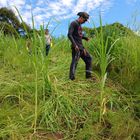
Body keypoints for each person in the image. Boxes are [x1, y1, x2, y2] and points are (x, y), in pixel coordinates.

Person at [68, 12, 92, 80]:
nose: (85, 22)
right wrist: (75, 45)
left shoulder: (79, 26)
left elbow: (79, 36)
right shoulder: (74, 23)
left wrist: (85, 38)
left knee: (89, 59)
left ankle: (88, 76)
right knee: (75, 62)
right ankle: (71, 78)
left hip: (81, 47)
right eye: (85, 20)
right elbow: (69, 35)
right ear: (81, 18)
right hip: (76, 48)